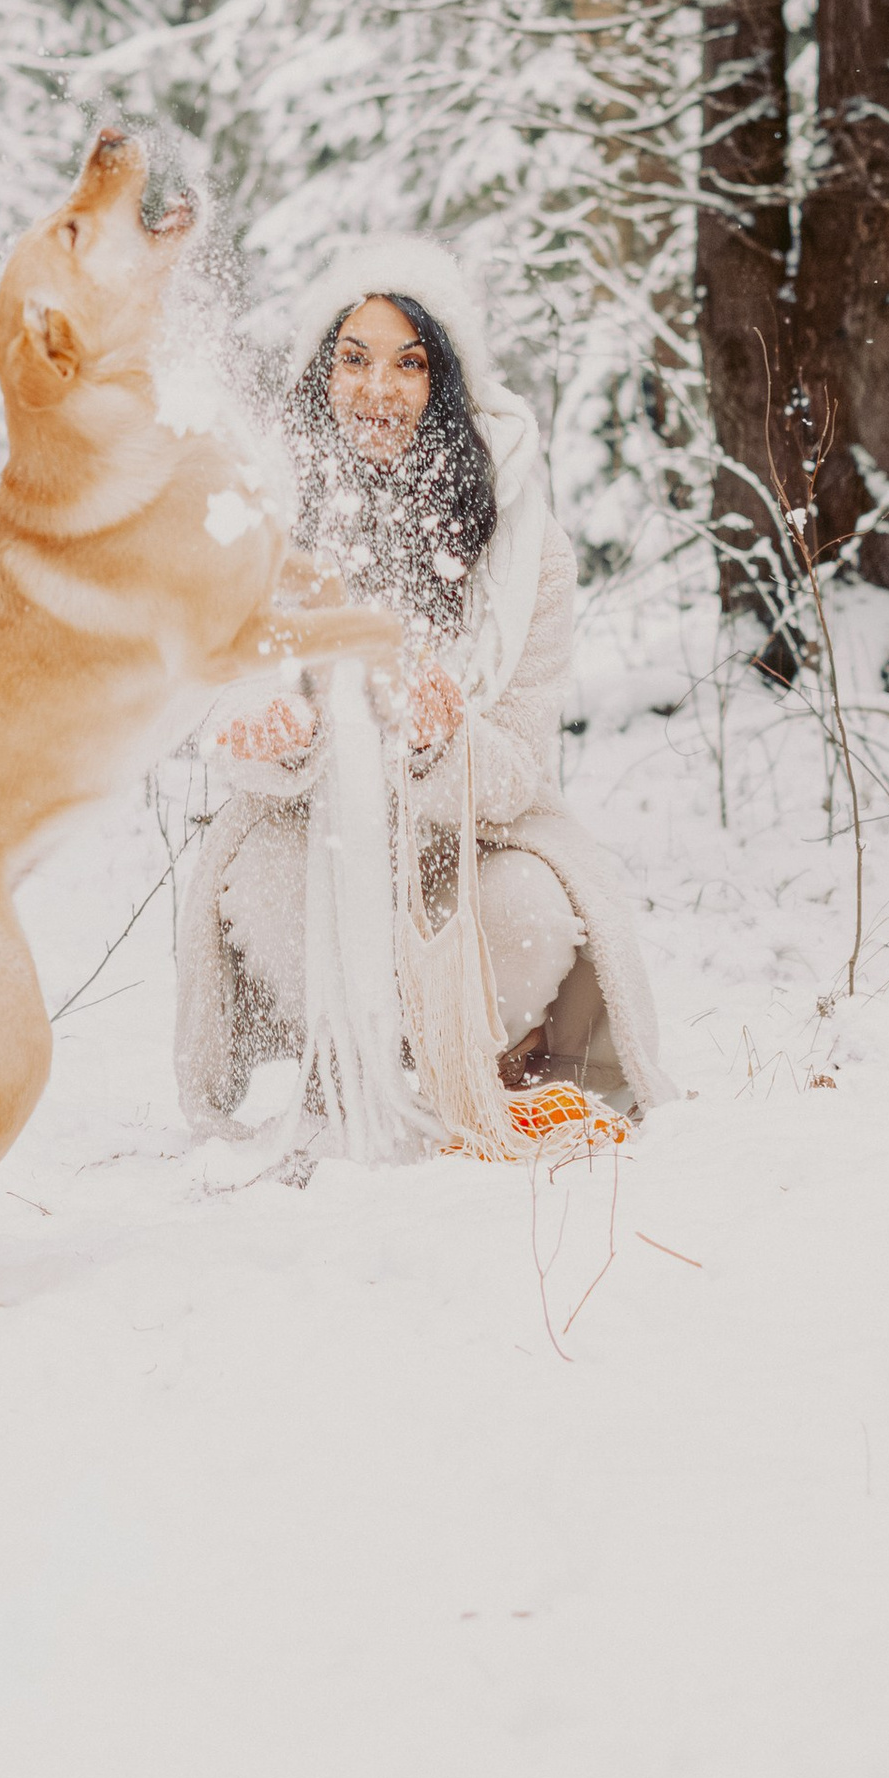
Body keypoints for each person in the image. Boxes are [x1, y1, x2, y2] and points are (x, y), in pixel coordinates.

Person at [173, 234, 671, 1147]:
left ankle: (474, 1058)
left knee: (530, 910)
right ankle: (346, 1060)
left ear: (446, 382)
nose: (377, 388)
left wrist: (442, 743)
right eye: (353, 359)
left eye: (409, 363)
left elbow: (519, 766)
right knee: (262, 889)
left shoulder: (526, 547)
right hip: (309, 834)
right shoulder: (266, 511)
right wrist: (281, 732)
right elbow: (213, 695)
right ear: (321, 375)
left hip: (469, 843)